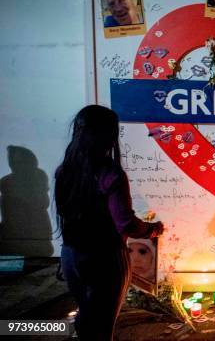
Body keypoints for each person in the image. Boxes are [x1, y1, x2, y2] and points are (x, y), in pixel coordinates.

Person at [56, 105, 164, 340]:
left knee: (85, 317)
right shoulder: (111, 174)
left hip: (70, 255)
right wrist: (152, 230)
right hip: (104, 259)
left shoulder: (64, 170)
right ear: (108, 135)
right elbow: (125, 224)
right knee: (103, 325)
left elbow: (65, 215)